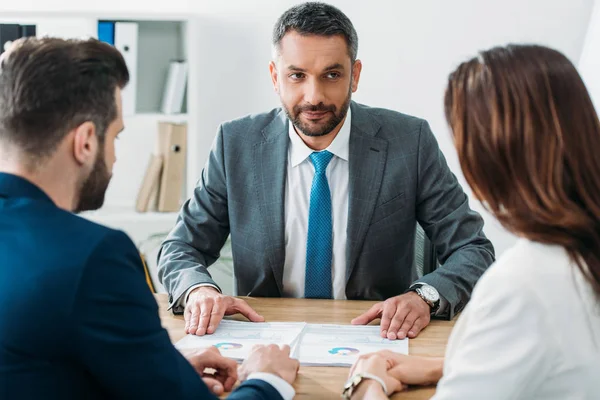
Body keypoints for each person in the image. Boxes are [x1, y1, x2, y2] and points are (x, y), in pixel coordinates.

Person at [158, 1, 495, 341]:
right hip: (262, 336)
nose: (314, 96)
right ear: (276, 77)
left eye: (332, 75)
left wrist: (425, 296)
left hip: (377, 337)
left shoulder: (410, 141)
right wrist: (199, 290)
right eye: (297, 76)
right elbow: (181, 248)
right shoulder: (236, 144)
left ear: (355, 75)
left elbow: (473, 248)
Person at [0, 37, 299, 400]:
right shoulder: (93, 257)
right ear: (86, 142)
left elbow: (36, 366)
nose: (114, 157)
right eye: (116, 137)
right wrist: (268, 381)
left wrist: (157, 368)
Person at [345, 44, 600, 399]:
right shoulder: (579, 254)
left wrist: (366, 382)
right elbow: (557, 359)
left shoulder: (521, 287)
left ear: (486, 157)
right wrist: (446, 365)